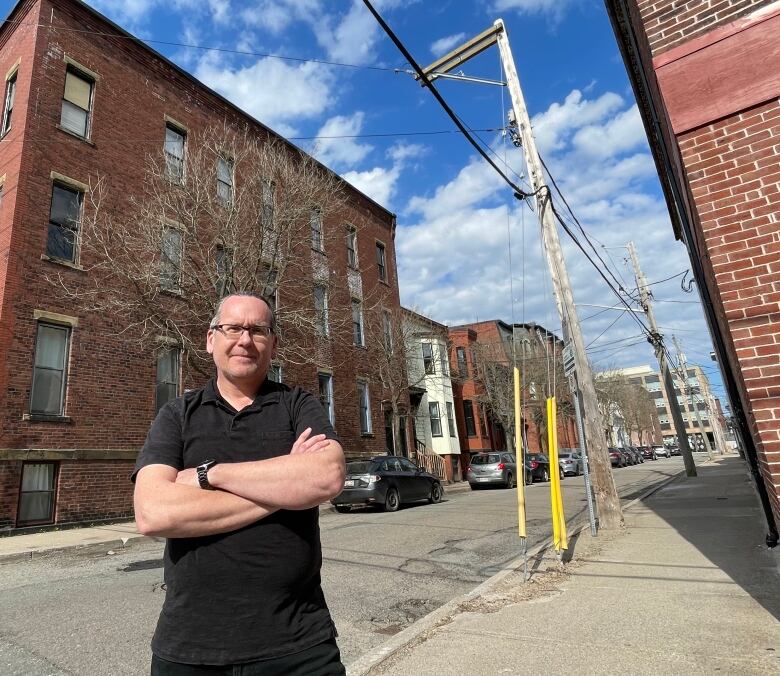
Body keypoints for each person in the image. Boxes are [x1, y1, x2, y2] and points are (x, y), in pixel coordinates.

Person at [133, 293, 346, 675]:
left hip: (299, 644)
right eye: (233, 328)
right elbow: (152, 513)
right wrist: (286, 488)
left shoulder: (298, 404)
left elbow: (326, 476)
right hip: (190, 648)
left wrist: (208, 474)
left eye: (258, 330)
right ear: (211, 338)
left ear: (273, 343)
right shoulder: (178, 415)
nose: (245, 339)